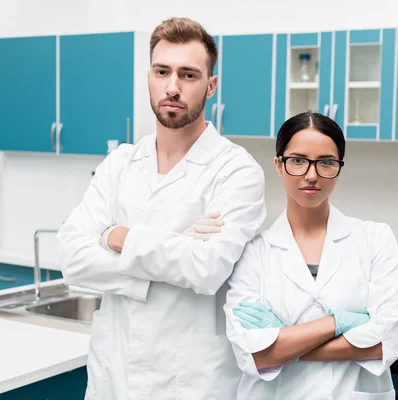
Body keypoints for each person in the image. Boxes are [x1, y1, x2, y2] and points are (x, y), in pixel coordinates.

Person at [56, 17, 266, 400]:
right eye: (162, 71)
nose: (172, 87)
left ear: (211, 86)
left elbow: (205, 269)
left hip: (191, 383)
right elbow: (72, 256)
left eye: (188, 75)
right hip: (115, 376)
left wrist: (117, 236)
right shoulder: (120, 163)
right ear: (148, 76)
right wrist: (173, 250)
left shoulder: (236, 171)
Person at [224, 112, 398, 399]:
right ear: (278, 164)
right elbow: (253, 356)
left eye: (326, 162)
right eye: (298, 160)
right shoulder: (252, 252)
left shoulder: (375, 239)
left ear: (339, 167)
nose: (312, 174)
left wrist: (285, 343)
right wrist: (339, 323)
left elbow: (386, 343)